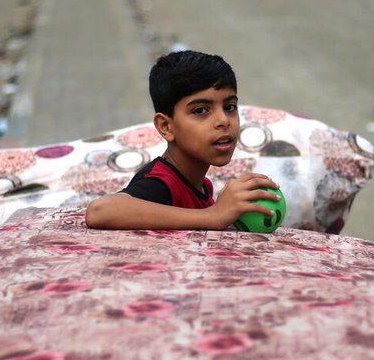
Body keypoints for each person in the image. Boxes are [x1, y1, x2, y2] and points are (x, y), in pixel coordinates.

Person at [84, 50, 280, 230]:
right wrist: (213, 216)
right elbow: (100, 211)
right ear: (166, 127)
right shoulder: (161, 183)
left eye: (229, 107)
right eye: (200, 110)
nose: (223, 120)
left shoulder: (202, 186)